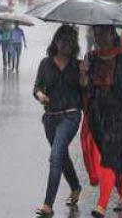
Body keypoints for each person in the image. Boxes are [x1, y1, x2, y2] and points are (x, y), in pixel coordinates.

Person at [82, 25, 122, 218]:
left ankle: (102, 204)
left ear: (112, 34)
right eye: (96, 34)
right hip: (98, 116)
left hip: (120, 117)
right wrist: (84, 75)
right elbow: (86, 88)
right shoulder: (91, 58)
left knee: (107, 157)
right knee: (111, 157)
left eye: (103, 34)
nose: (99, 38)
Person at [32, 25, 83, 217]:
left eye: (70, 42)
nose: (66, 45)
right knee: (61, 155)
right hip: (50, 118)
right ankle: (76, 186)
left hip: (70, 115)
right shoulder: (45, 63)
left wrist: (85, 74)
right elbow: (36, 87)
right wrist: (40, 95)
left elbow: (84, 90)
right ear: (56, 41)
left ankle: (48, 204)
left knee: (55, 157)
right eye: (63, 40)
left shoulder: (77, 66)